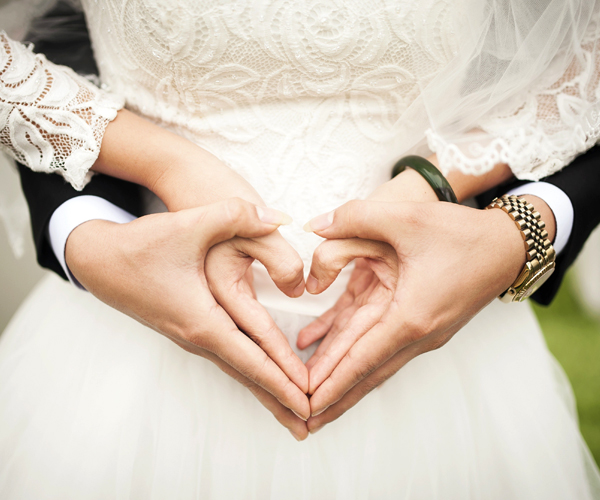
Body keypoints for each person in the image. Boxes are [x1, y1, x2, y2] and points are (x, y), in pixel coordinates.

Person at [1, 1, 600, 498]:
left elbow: (578, 50)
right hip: (132, 349)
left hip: (446, 345)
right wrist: (160, 164)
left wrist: (458, 196)